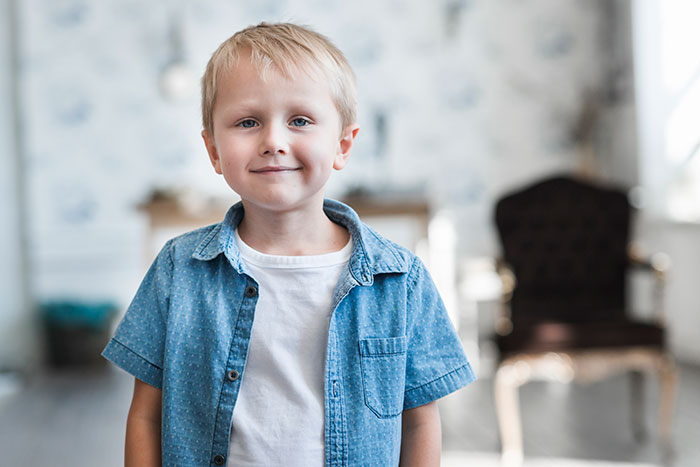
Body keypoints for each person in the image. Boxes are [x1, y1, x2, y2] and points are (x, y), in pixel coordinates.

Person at [102, 22, 475, 467]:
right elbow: (145, 416)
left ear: (342, 144)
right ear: (214, 151)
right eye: (247, 122)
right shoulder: (178, 269)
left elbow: (420, 422)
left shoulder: (400, 279)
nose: (273, 142)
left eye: (299, 120)